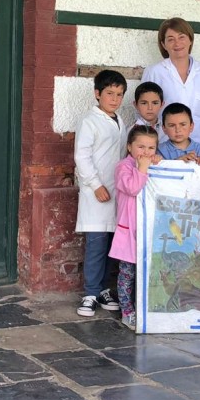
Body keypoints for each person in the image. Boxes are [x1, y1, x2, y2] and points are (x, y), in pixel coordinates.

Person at [74, 69, 127, 317]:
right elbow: (82, 157)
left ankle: (104, 289)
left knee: (112, 245)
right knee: (96, 245)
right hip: (97, 193)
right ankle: (90, 293)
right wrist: (96, 185)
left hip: (117, 192)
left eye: (119, 94)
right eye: (109, 93)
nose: (114, 99)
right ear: (97, 93)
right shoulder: (89, 121)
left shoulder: (120, 121)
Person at [109, 125, 160, 330]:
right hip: (130, 229)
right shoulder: (123, 167)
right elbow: (132, 188)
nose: (146, 152)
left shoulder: (154, 164)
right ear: (129, 147)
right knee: (127, 272)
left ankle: (147, 309)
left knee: (150, 271)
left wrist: (158, 164)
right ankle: (127, 311)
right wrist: (142, 168)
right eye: (141, 147)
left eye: (151, 148)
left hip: (150, 228)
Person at [142, 17, 200, 150]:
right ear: (164, 44)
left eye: (181, 37)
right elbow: (144, 111)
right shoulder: (154, 72)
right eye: (170, 39)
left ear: (190, 40)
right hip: (166, 149)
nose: (177, 43)